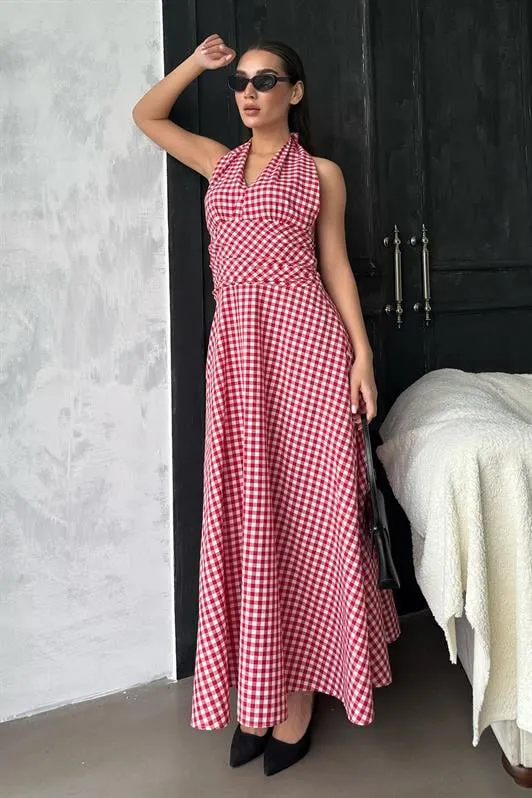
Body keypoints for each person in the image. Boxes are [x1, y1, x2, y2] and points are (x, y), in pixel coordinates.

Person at [132, 33, 400, 777]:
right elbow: (147, 116)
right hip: (238, 356)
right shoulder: (216, 163)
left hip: (307, 346)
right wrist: (197, 65)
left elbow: (334, 265)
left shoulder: (320, 174)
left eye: (265, 80)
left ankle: (302, 696)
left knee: (312, 515)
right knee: (252, 512)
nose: (248, 93)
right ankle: (264, 684)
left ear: (295, 91)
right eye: (241, 83)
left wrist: (362, 356)